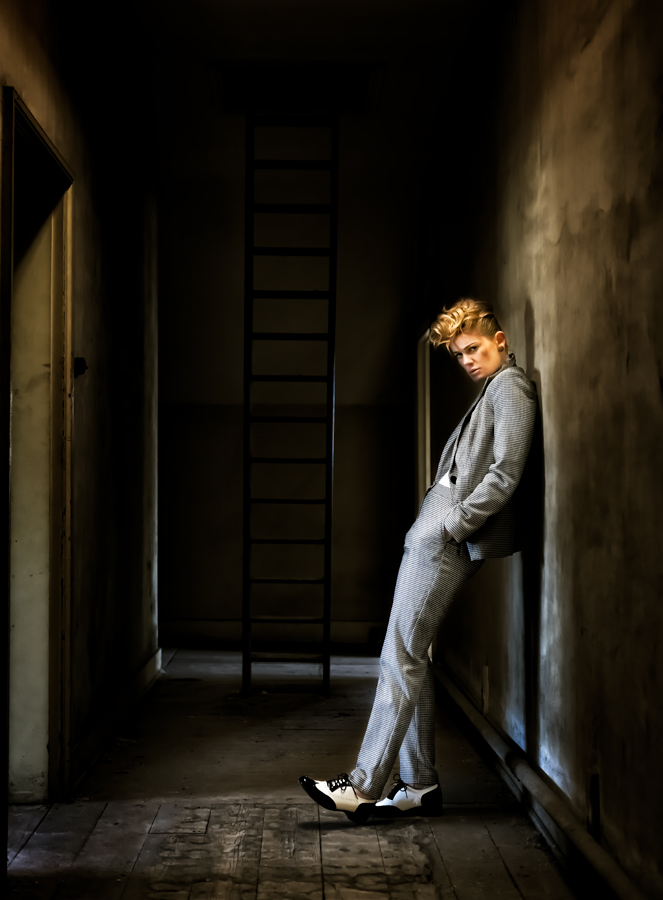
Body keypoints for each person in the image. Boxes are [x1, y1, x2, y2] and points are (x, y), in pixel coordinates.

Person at [299, 297, 538, 824]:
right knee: (410, 655)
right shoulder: (493, 387)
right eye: (459, 354)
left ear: (499, 341)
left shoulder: (511, 387)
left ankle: (363, 785)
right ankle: (419, 785)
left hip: (448, 534)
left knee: (400, 656)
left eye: (473, 349)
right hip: (436, 528)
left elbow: (506, 472)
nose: (467, 360)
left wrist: (454, 524)